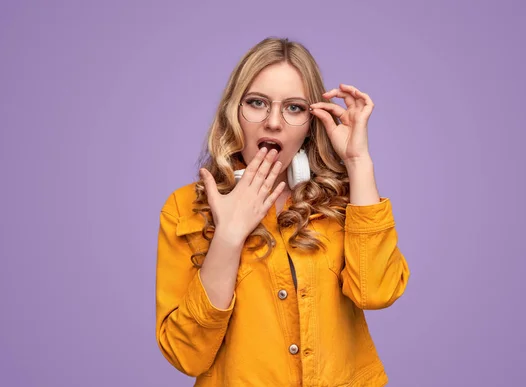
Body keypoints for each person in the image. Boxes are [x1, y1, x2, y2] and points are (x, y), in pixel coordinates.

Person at [155, 37, 410, 386]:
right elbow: (186, 355)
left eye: (294, 108)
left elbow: (376, 293)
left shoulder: (344, 199)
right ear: (233, 111)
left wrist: (357, 162)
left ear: (310, 124)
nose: (273, 122)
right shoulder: (185, 209)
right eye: (257, 103)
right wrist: (228, 237)